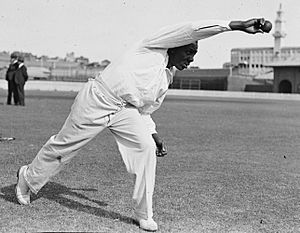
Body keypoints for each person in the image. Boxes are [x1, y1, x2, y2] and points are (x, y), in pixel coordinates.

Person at [15, 18, 266, 231]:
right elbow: (193, 29)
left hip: (126, 111)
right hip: (98, 98)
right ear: (176, 45)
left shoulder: (168, 76)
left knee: (145, 148)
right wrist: (236, 26)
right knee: (64, 149)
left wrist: (153, 133)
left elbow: (145, 110)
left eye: (194, 55)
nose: (190, 59)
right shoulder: (152, 47)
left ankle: (143, 213)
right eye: (189, 52)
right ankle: (28, 178)